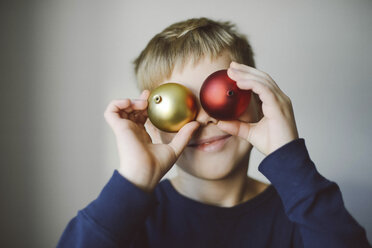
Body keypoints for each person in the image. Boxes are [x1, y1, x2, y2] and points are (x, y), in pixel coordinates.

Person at [57, 17, 371, 248]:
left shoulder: (301, 214)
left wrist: (288, 156)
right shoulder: (129, 220)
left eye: (221, 95)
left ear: (258, 104)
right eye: (181, 105)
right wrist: (134, 179)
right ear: (151, 120)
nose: (204, 118)